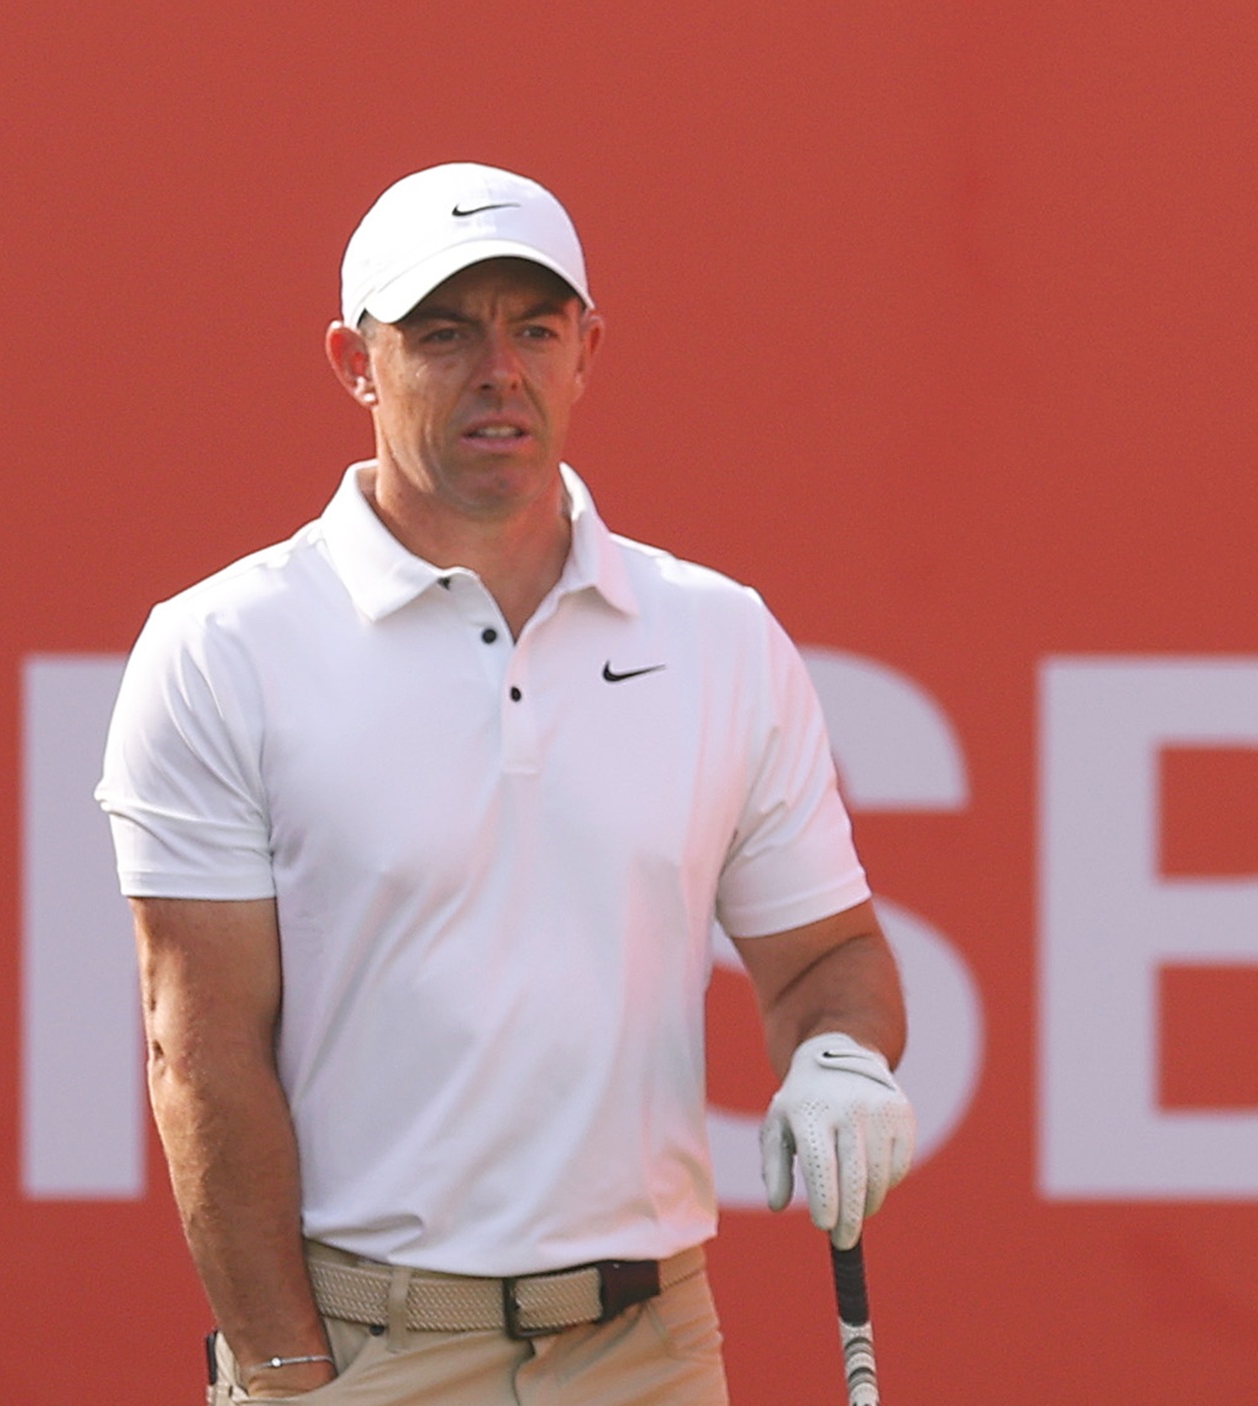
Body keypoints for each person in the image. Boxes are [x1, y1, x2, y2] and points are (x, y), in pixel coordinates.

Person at [96, 163, 916, 1404]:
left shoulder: (719, 635)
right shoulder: (223, 645)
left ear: (587, 350)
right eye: (443, 333)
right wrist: (281, 1371)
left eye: (534, 328)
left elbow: (824, 957)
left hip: (651, 1345)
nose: (500, 370)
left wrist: (841, 1056)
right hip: (364, 1345)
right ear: (351, 361)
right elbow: (202, 1052)